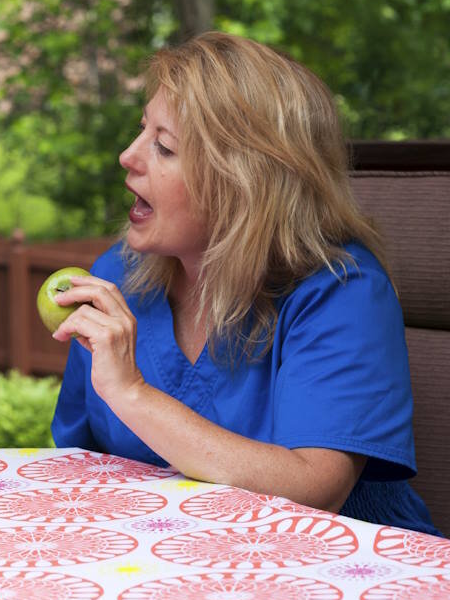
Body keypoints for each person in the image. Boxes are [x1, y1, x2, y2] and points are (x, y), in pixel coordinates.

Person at [50, 31, 439, 536]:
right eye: (141, 131)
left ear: (244, 183)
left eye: (164, 146)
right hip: (165, 564)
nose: (128, 155)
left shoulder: (343, 291)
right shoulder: (115, 278)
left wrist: (134, 395)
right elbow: (78, 466)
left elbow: (316, 488)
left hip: (336, 568)